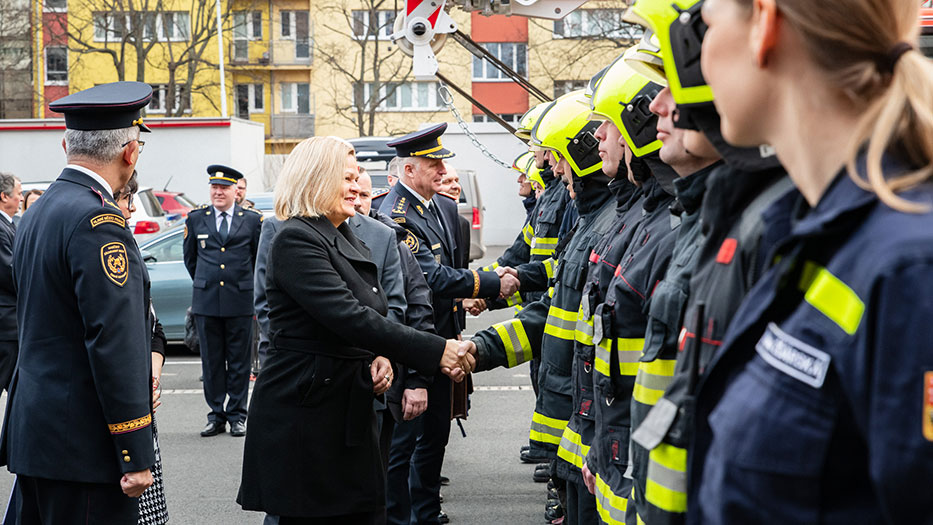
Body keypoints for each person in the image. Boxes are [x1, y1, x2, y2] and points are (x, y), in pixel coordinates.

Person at [681, 0, 933, 522]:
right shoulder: (819, 235)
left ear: (765, 24)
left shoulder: (911, 267)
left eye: (704, 26)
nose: (698, 61)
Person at [236, 135, 472, 524]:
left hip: (344, 404)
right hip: (307, 415)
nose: (357, 185)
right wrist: (436, 351)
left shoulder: (342, 233)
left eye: (357, 174)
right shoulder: (296, 238)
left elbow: (370, 315)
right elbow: (347, 316)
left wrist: (378, 354)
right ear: (316, 180)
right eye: (346, 177)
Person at [1, 81, 154, 522]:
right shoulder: (98, 219)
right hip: (83, 445)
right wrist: (134, 447)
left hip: (39, 434)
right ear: (131, 152)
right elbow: (113, 341)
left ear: (67, 143)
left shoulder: (38, 211)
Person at [465, 91, 620, 524]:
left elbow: (552, 299)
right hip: (578, 422)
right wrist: (483, 347)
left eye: (555, 157)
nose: (549, 168)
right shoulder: (595, 221)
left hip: (592, 428)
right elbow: (554, 303)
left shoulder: (605, 225)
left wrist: (478, 346)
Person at [380, 123, 516, 525]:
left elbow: (453, 271)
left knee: (436, 434)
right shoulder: (396, 215)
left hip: (444, 339)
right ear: (408, 171)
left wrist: (465, 307)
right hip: (415, 344)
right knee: (403, 443)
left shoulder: (437, 205)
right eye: (432, 164)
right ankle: (398, 518)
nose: (442, 171)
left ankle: (426, 512)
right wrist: (494, 282)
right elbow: (430, 279)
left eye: (442, 163)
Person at [183, 164, 263, 438]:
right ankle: (215, 414)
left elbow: (256, 260)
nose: (218, 192)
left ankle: (237, 415)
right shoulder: (196, 219)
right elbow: (190, 259)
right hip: (206, 301)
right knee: (212, 362)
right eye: (214, 187)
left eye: (224, 188)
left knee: (239, 362)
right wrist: (204, 283)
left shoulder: (251, 220)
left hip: (239, 300)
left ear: (234, 191)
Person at [114, 173, 171, 525]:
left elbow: (155, 331)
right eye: (126, 200)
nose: (133, 211)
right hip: (122, 417)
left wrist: (152, 377)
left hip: (141, 404)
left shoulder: (130, 245)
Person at [0, 173, 22, 392]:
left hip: (12, 324)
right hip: (6, 325)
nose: (22, 198)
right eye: (19, 193)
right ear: (4, 197)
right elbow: (9, 270)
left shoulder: (10, 225)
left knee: (18, 388)